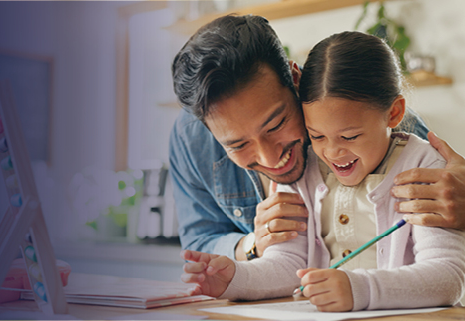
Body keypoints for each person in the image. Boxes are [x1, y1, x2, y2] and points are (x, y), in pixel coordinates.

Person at [179, 31, 465, 312]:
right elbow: (288, 264)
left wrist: (359, 290)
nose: (331, 153)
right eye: (316, 136)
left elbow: (449, 276)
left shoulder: (422, 164)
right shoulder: (301, 165)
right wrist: (237, 279)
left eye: (350, 137)